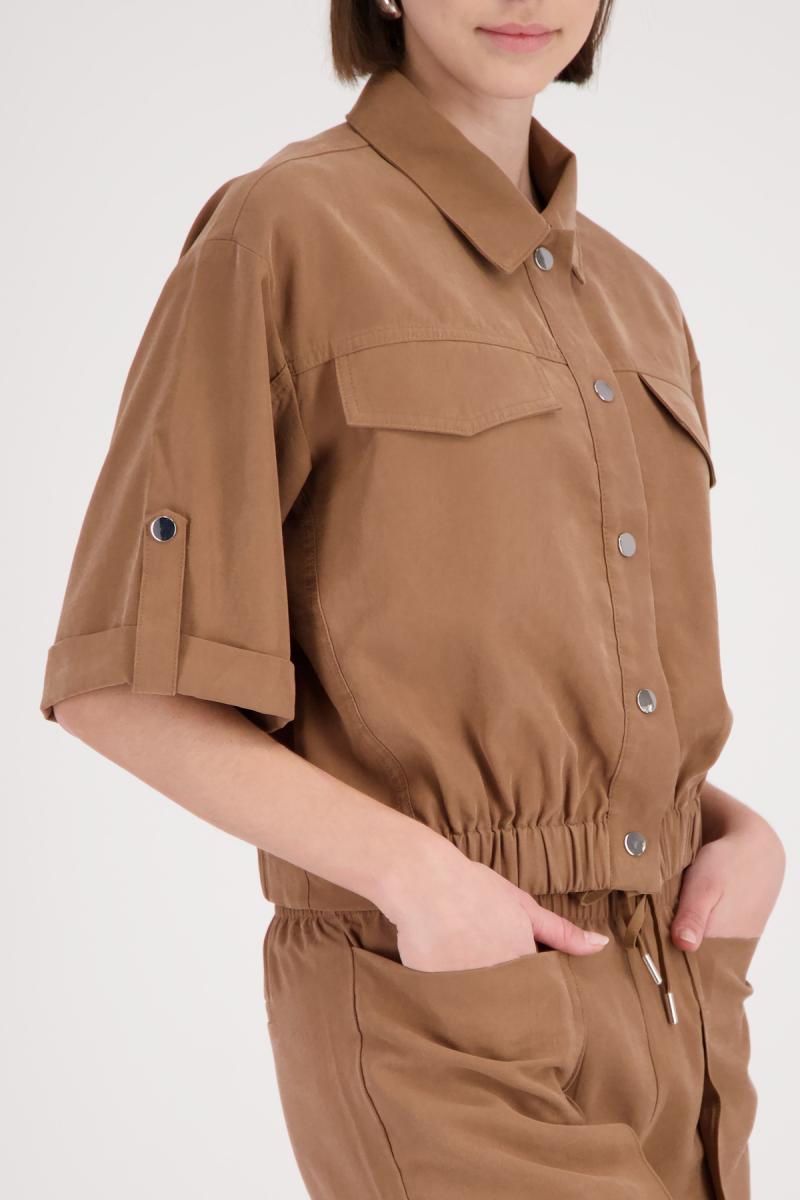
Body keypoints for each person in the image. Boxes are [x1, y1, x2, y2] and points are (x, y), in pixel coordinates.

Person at [40, 2, 784, 1198]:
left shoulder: (637, 300)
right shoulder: (281, 233)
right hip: (435, 1006)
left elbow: (538, 668)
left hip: (678, 1003)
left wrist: (728, 831)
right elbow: (121, 681)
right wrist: (418, 880)